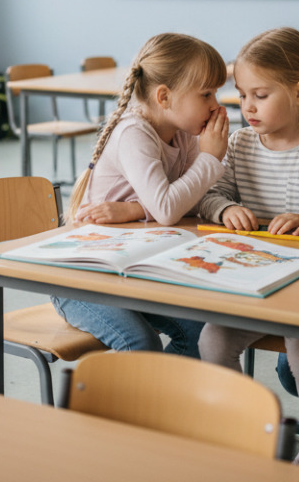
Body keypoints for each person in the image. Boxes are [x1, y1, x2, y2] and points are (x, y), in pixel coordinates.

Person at [196, 27, 299, 469]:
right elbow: (210, 196)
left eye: (260, 95)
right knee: (213, 339)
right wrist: (226, 208)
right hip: (253, 280)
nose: (247, 106)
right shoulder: (239, 144)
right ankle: (243, 428)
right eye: (242, 95)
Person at [54, 32, 231, 356]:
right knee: (140, 342)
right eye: (206, 94)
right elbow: (168, 210)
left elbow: (190, 202)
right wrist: (209, 159)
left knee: (201, 332)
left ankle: (158, 389)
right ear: (164, 97)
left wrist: (136, 210)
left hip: (130, 267)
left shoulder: (183, 134)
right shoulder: (134, 133)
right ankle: (138, 390)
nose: (215, 105)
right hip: (81, 277)